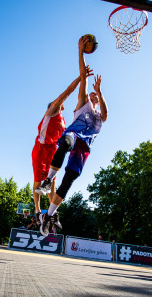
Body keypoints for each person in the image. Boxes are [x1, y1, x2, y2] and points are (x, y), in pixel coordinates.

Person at [37, 37, 108, 236]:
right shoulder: (83, 103)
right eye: (92, 94)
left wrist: (100, 93)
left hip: (84, 147)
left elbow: (106, 114)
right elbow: (83, 80)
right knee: (66, 142)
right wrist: (80, 52)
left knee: (69, 179)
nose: (92, 95)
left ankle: (48, 215)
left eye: (95, 96)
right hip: (74, 135)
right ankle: (48, 180)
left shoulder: (99, 116)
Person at [32, 67, 93, 227]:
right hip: (41, 147)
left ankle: (52, 214)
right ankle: (38, 212)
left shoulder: (63, 120)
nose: (61, 103)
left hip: (52, 148)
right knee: (38, 181)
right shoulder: (52, 110)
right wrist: (81, 77)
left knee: (51, 184)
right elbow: (68, 91)